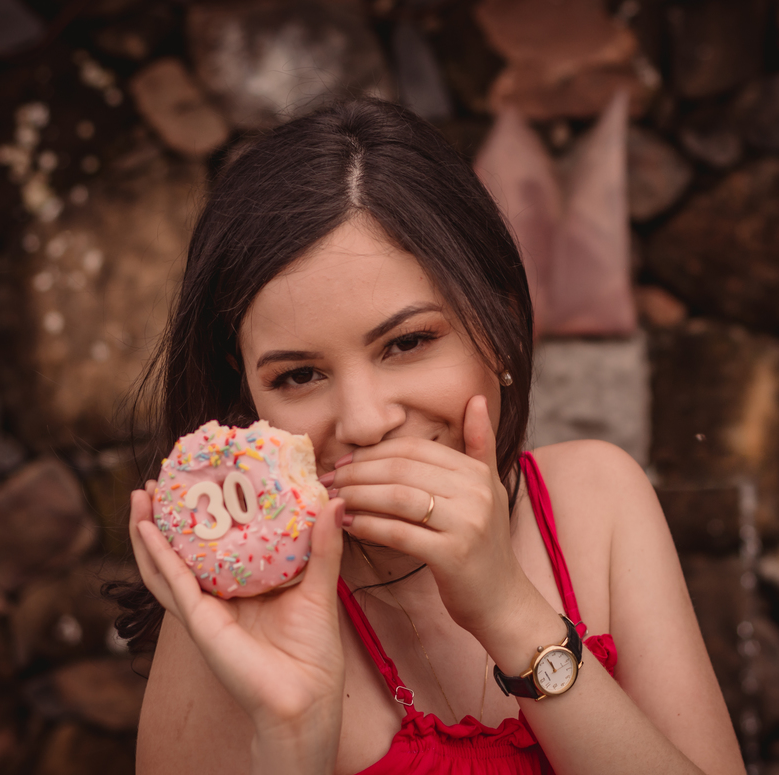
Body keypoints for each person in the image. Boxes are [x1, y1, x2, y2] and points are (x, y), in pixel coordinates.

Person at [117, 99, 745, 774]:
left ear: (500, 322)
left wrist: (509, 611)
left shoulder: (598, 500)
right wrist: (293, 736)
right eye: (299, 375)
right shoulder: (229, 614)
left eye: (408, 341)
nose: (363, 420)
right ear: (247, 398)